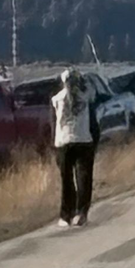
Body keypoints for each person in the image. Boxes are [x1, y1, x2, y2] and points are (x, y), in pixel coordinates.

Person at [52, 68, 99, 227]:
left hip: (63, 143)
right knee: (84, 178)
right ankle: (82, 212)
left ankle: (66, 215)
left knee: (66, 180)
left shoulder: (56, 99)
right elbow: (93, 123)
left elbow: (53, 124)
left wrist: (54, 144)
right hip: (84, 140)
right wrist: (95, 141)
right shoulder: (87, 97)